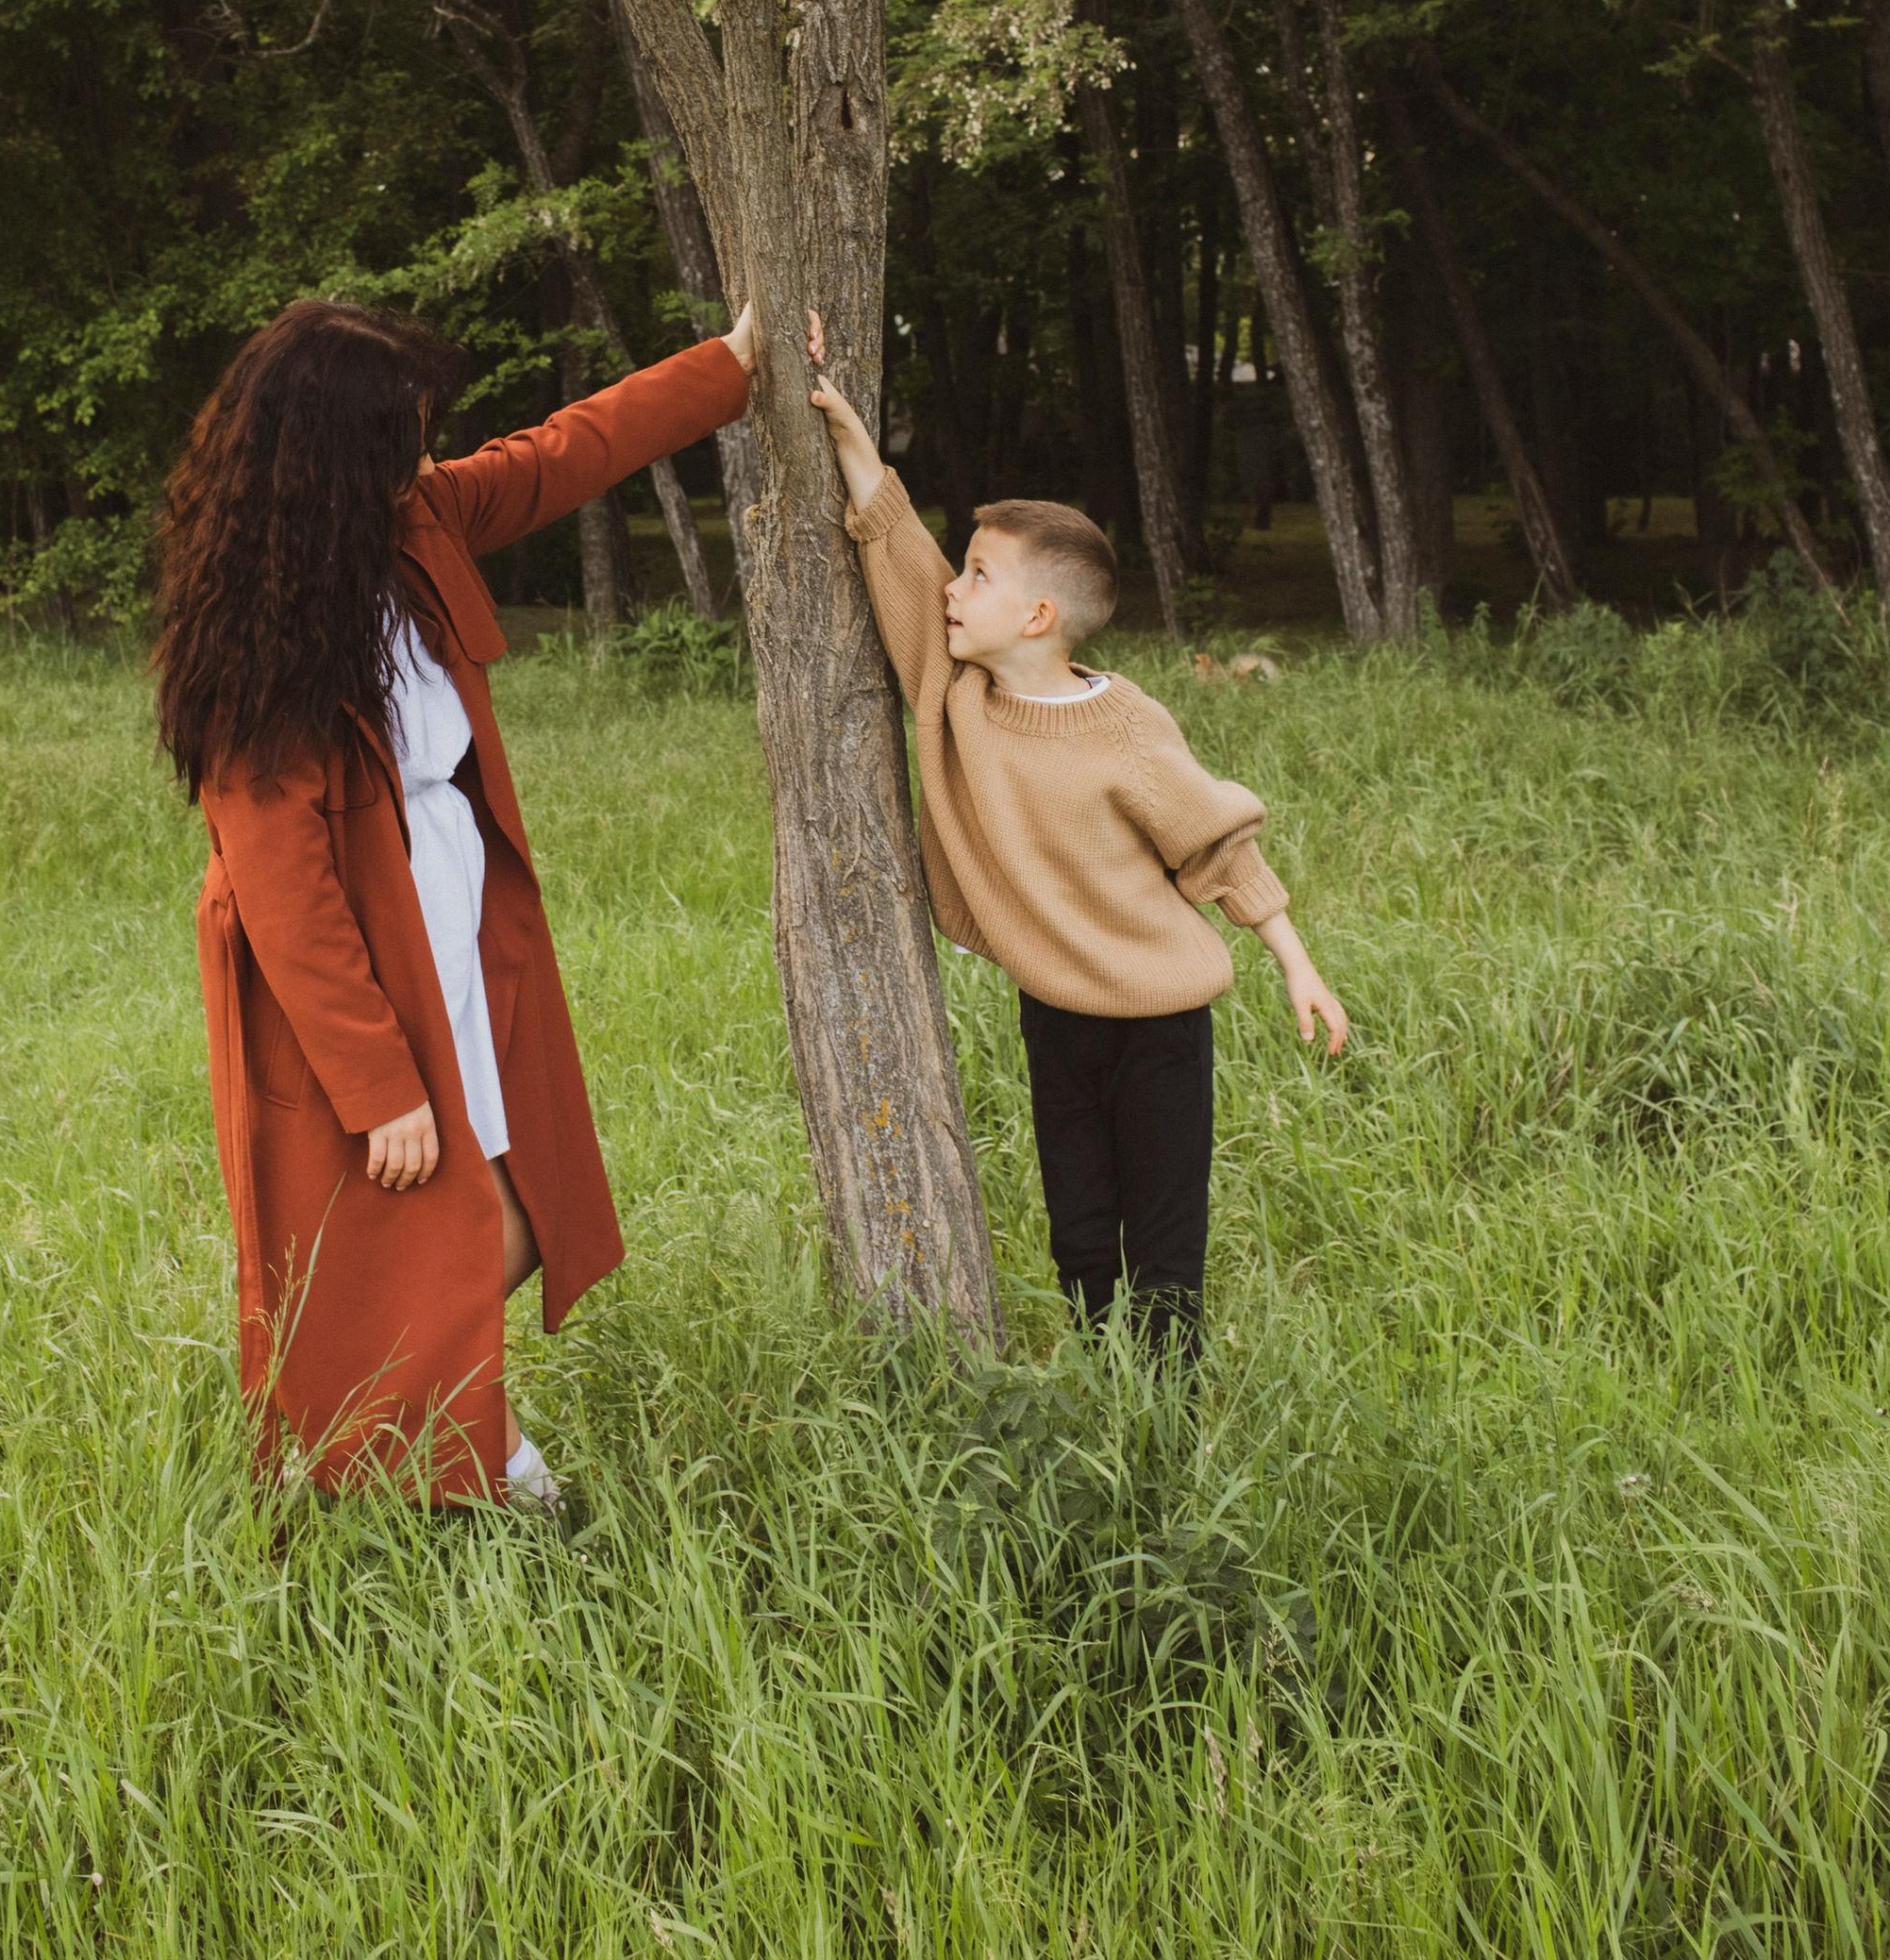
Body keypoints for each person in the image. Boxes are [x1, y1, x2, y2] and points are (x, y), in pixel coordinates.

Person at [154, 297, 757, 1507]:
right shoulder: (254, 629)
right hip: (356, 962)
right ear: (331, 460)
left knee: (514, 1197)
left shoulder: (413, 517)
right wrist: (376, 1086)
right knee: (406, 1217)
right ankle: (455, 1461)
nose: (427, 461)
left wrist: (726, 366)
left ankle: (416, 1442)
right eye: (404, 440)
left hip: (454, 923)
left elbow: (561, 452)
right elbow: (287, 890)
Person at [806, 315, 1346, 1364]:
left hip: (1161, 1023)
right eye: (961, 573)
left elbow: (1216, 844)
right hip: (1056, 1014)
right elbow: (900, 554)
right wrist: (843, 426)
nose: (955, 590)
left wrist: (1297, 967)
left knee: (1165, 1248)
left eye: (979, 576)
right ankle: (1111, 1395)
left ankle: (1167, 1427)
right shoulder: (953, 692)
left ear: (1040, 614)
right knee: (1081, 1236)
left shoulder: (1127, 726)